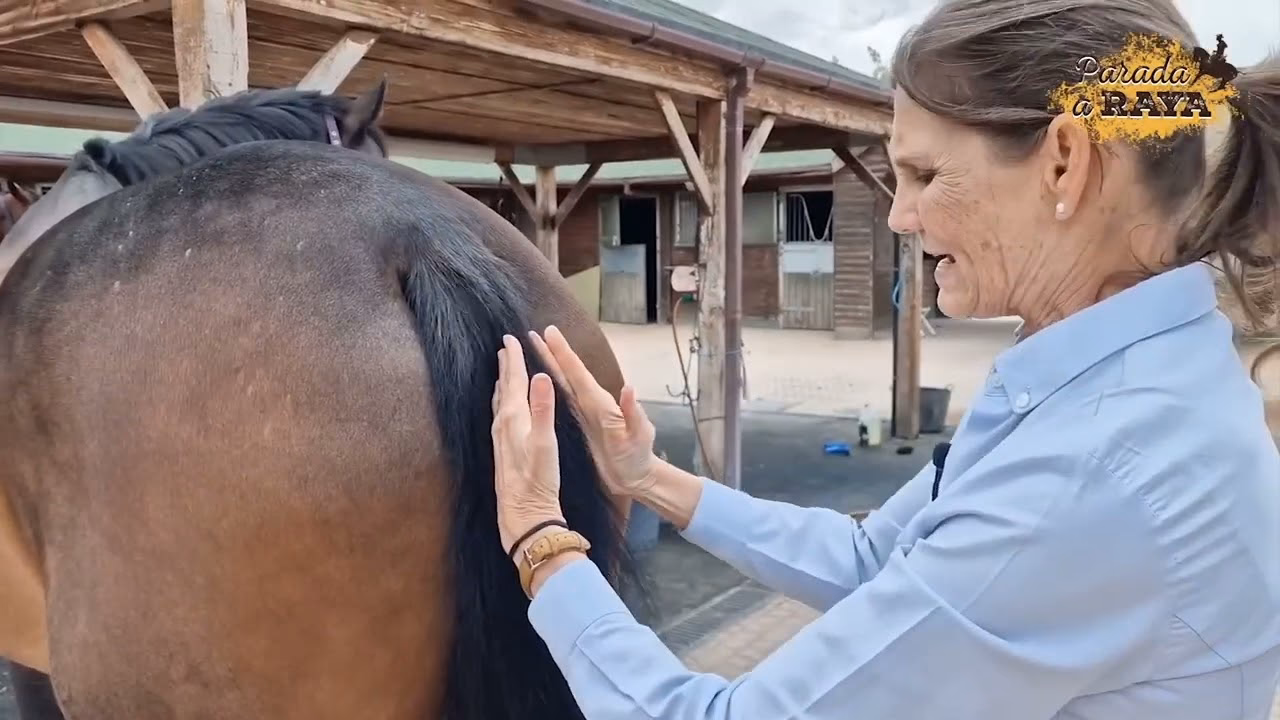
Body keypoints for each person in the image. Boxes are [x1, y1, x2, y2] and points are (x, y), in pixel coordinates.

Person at [490, 1, 1280, 717]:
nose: (900, 214)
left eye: (927, 174)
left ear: (1065, 163)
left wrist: (539, 538)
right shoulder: (1113, 382)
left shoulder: (1092, 469)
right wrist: (648, 478)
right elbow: (876, 559)